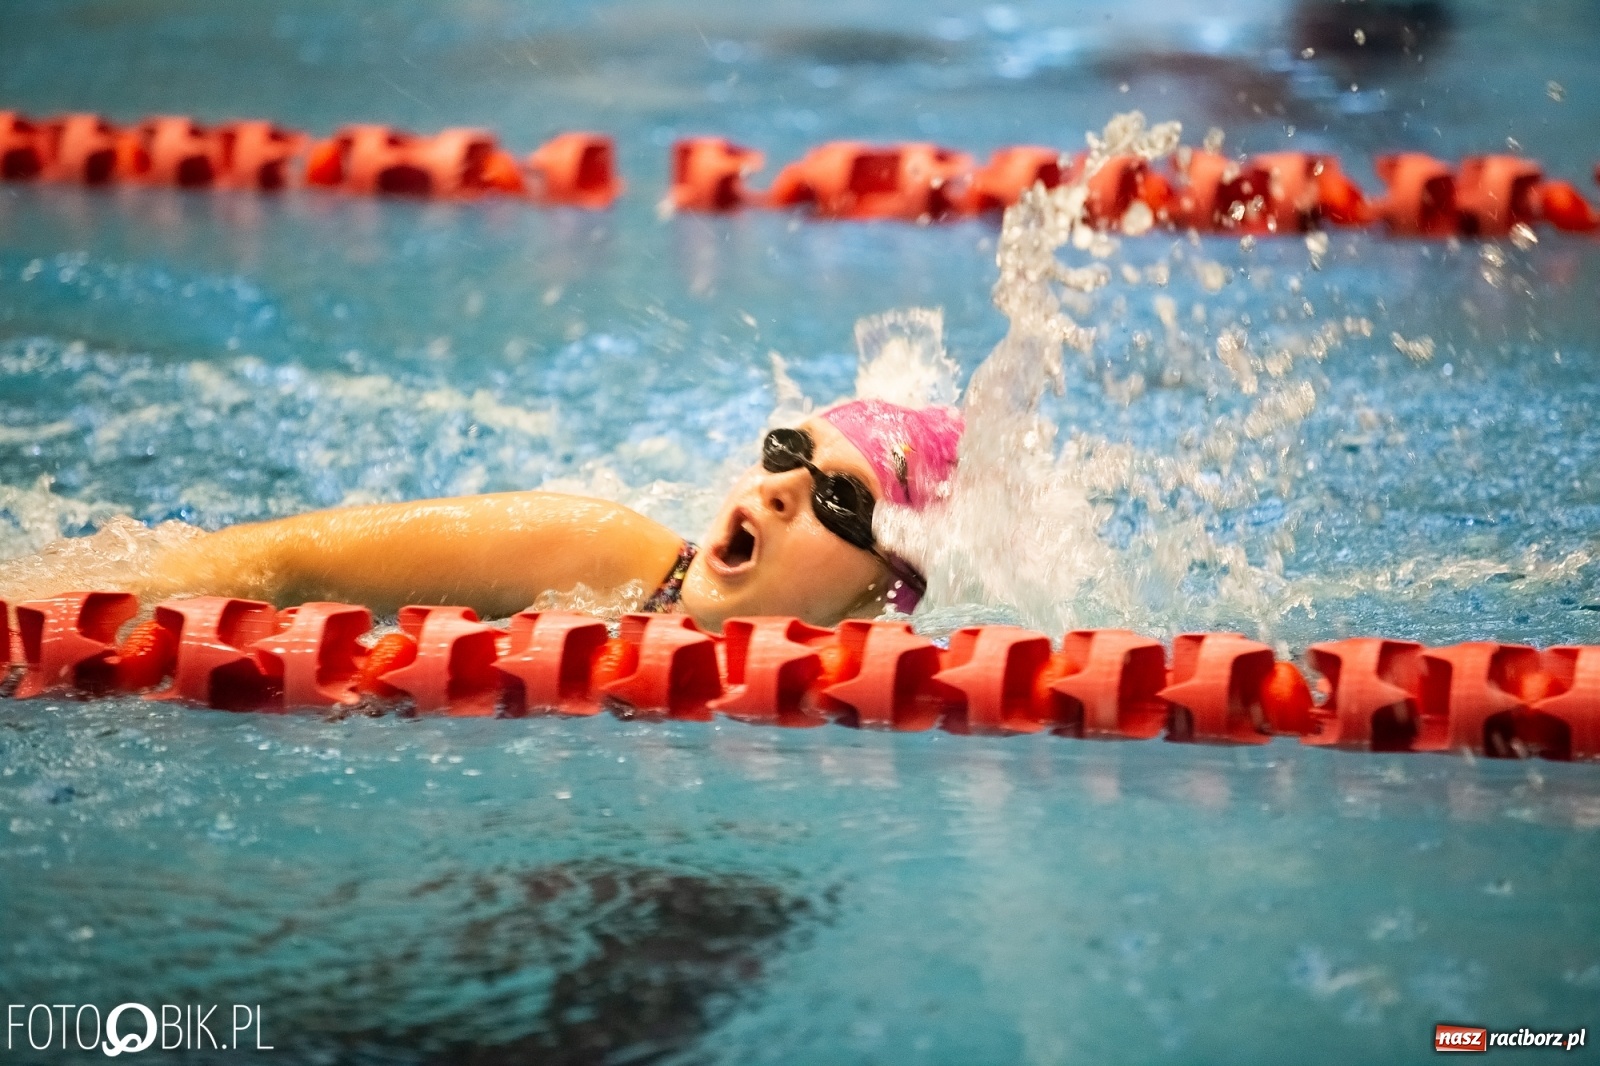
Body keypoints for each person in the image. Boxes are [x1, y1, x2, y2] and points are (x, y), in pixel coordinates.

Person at [129, 399, 963, 632]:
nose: (777, 488)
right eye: (785, 451)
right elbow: (273, 563)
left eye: (838, 501)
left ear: (891, 587)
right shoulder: (597, 555)